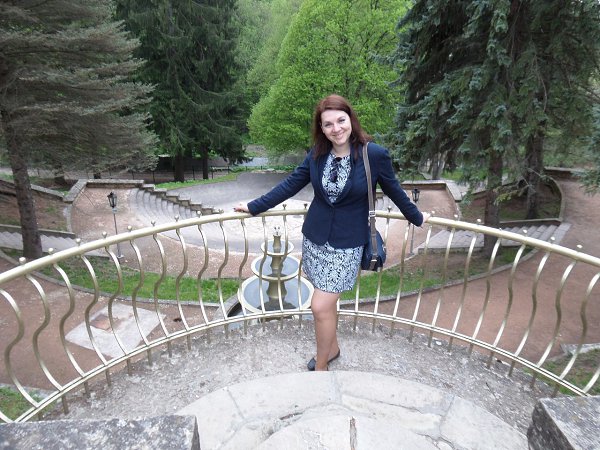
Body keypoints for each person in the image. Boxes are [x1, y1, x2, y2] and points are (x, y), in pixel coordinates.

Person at [235, 94, 430, 371]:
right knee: (325, 307)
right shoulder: (317, 153)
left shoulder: (373, 155)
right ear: (321, 128)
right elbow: (290, 184)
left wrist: (418, 217)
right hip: (315, 240)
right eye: (328, 124)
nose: (336, 128)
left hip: (347, 245)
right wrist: (254, 206)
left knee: (319, 306)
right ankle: (333, 348)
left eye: (341, 120)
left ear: (351, 119)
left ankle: (322, 365)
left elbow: (395, 191)